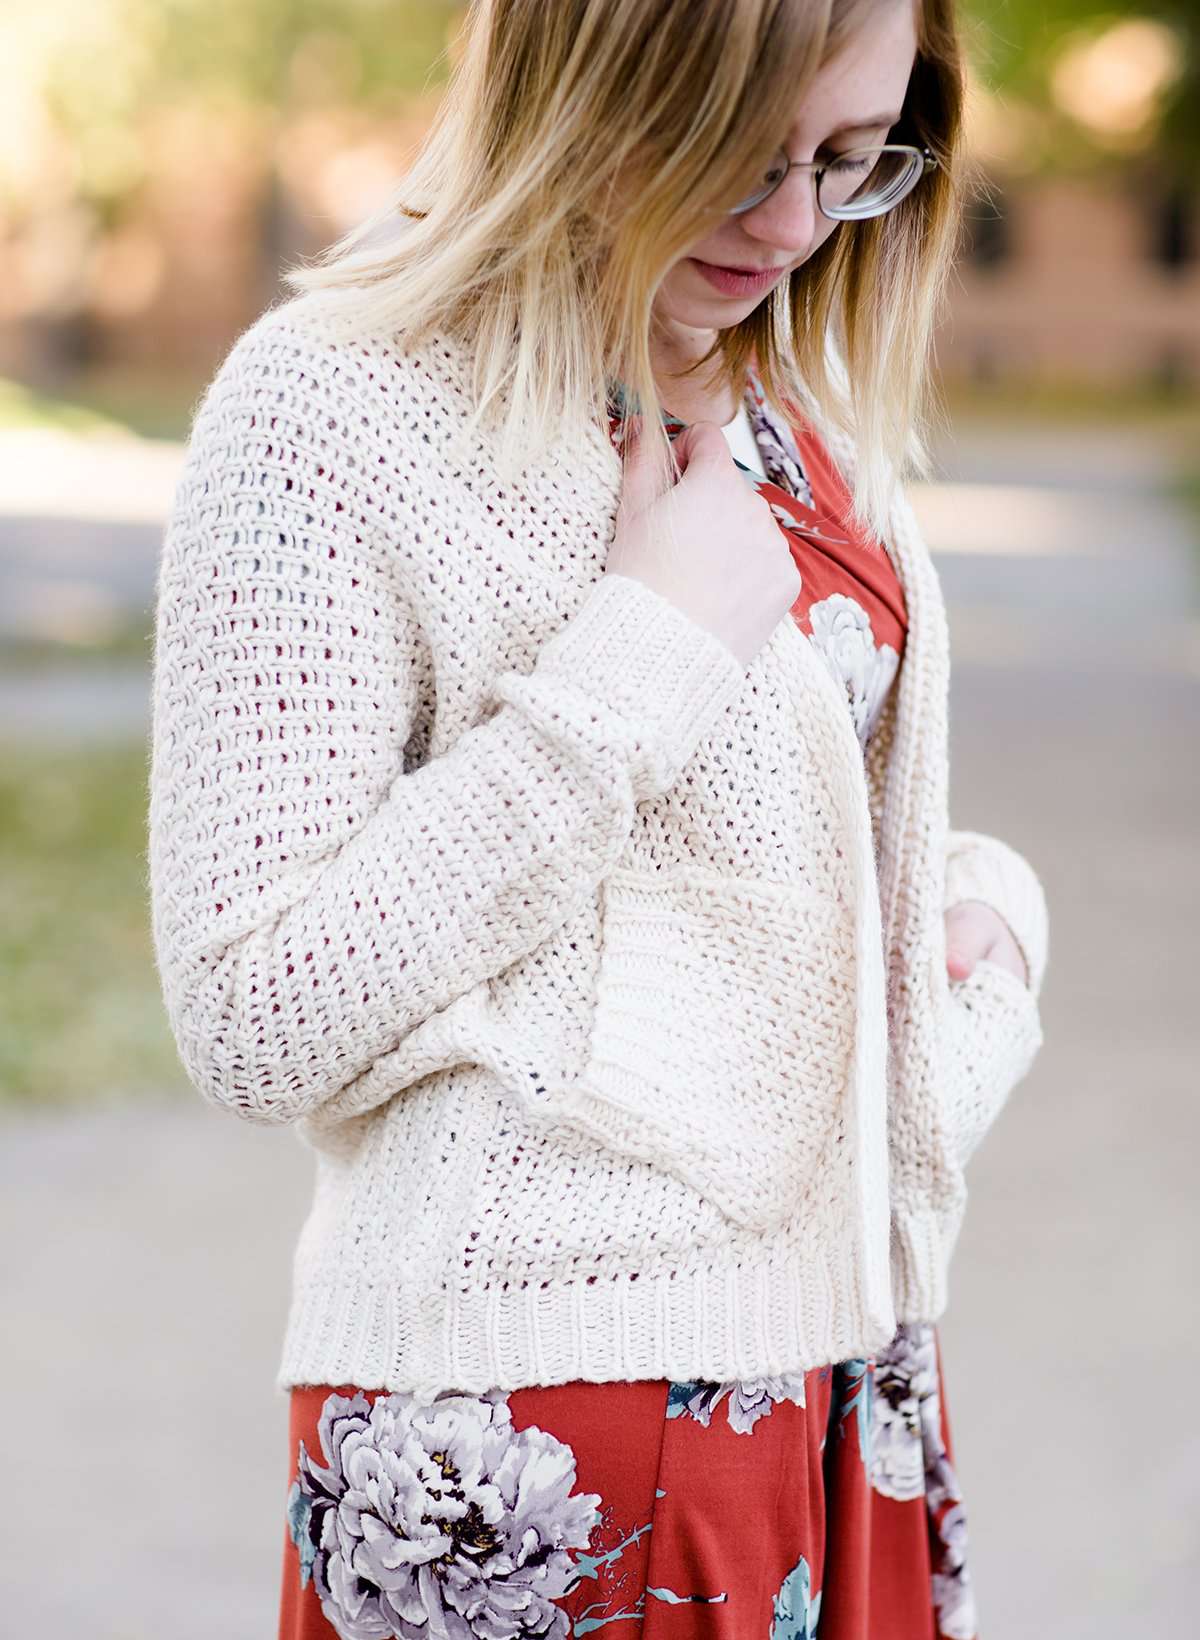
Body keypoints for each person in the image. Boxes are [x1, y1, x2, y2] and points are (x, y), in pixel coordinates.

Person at [147, 1, 1051, 1636]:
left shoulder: (797, 399)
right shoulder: (337, 409)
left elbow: (738, 892)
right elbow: (253, 1012)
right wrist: (635, 658)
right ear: (584, 80)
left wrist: (983, 937)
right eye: (734, 151)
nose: (789, 224)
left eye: (847, 161)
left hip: (851, 1387)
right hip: (541, 1433)